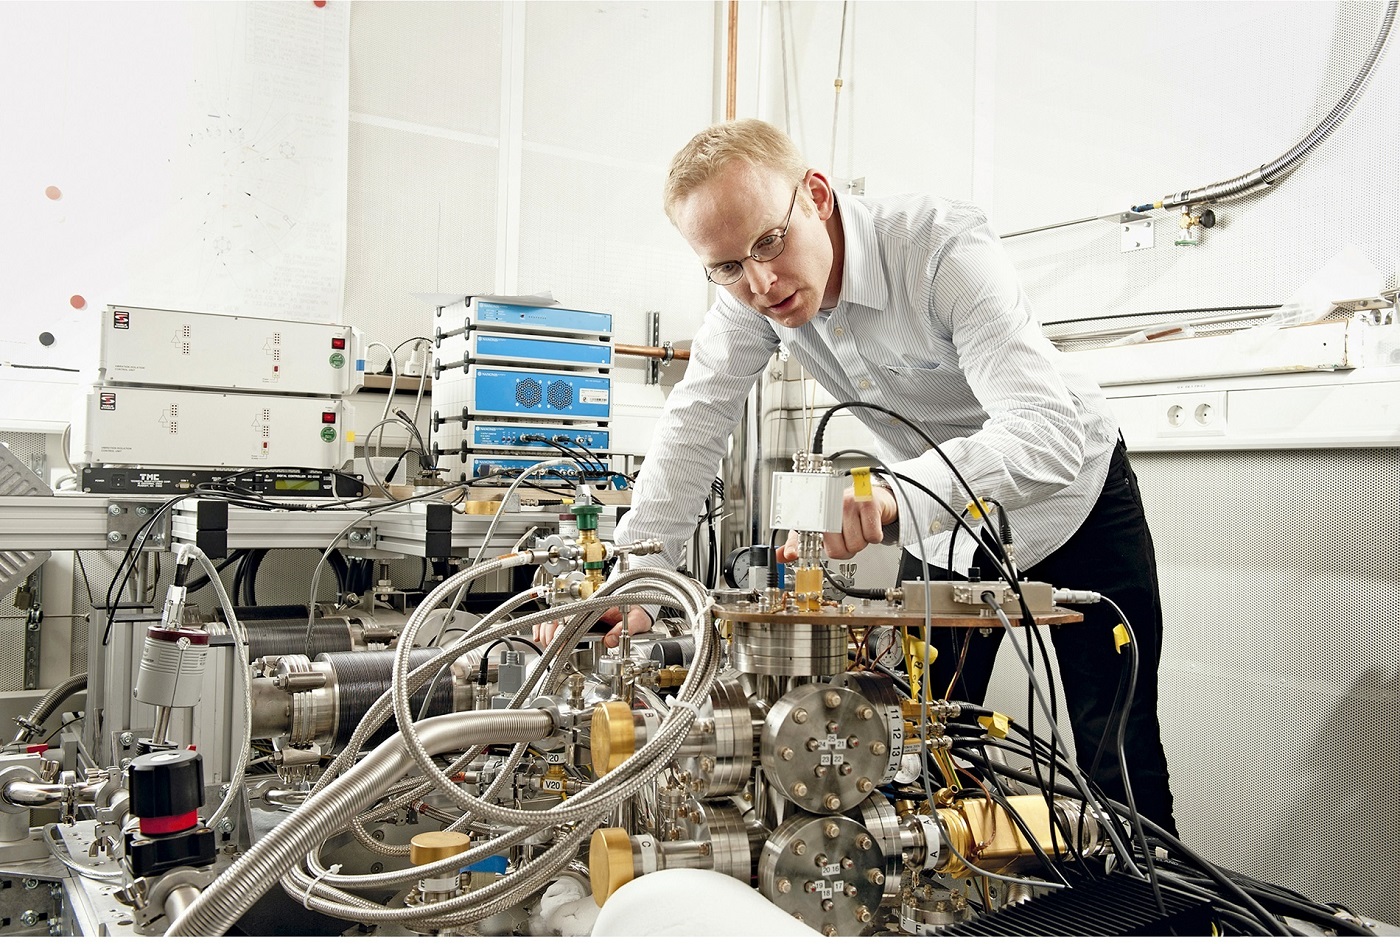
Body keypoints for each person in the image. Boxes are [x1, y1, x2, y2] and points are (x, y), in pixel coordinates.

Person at [545, 118, 1177, 834]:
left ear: (815, 194)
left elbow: (1045, 433)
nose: (759, 282)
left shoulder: (941, 249)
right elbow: (696, 420)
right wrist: (638, 578)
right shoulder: (753, 296)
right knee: (911, 749)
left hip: (1073, 500)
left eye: (768, 243)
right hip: (944, 534)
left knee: (1115, 752)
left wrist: (892, 495)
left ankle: (1167, 912)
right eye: (726, 266)